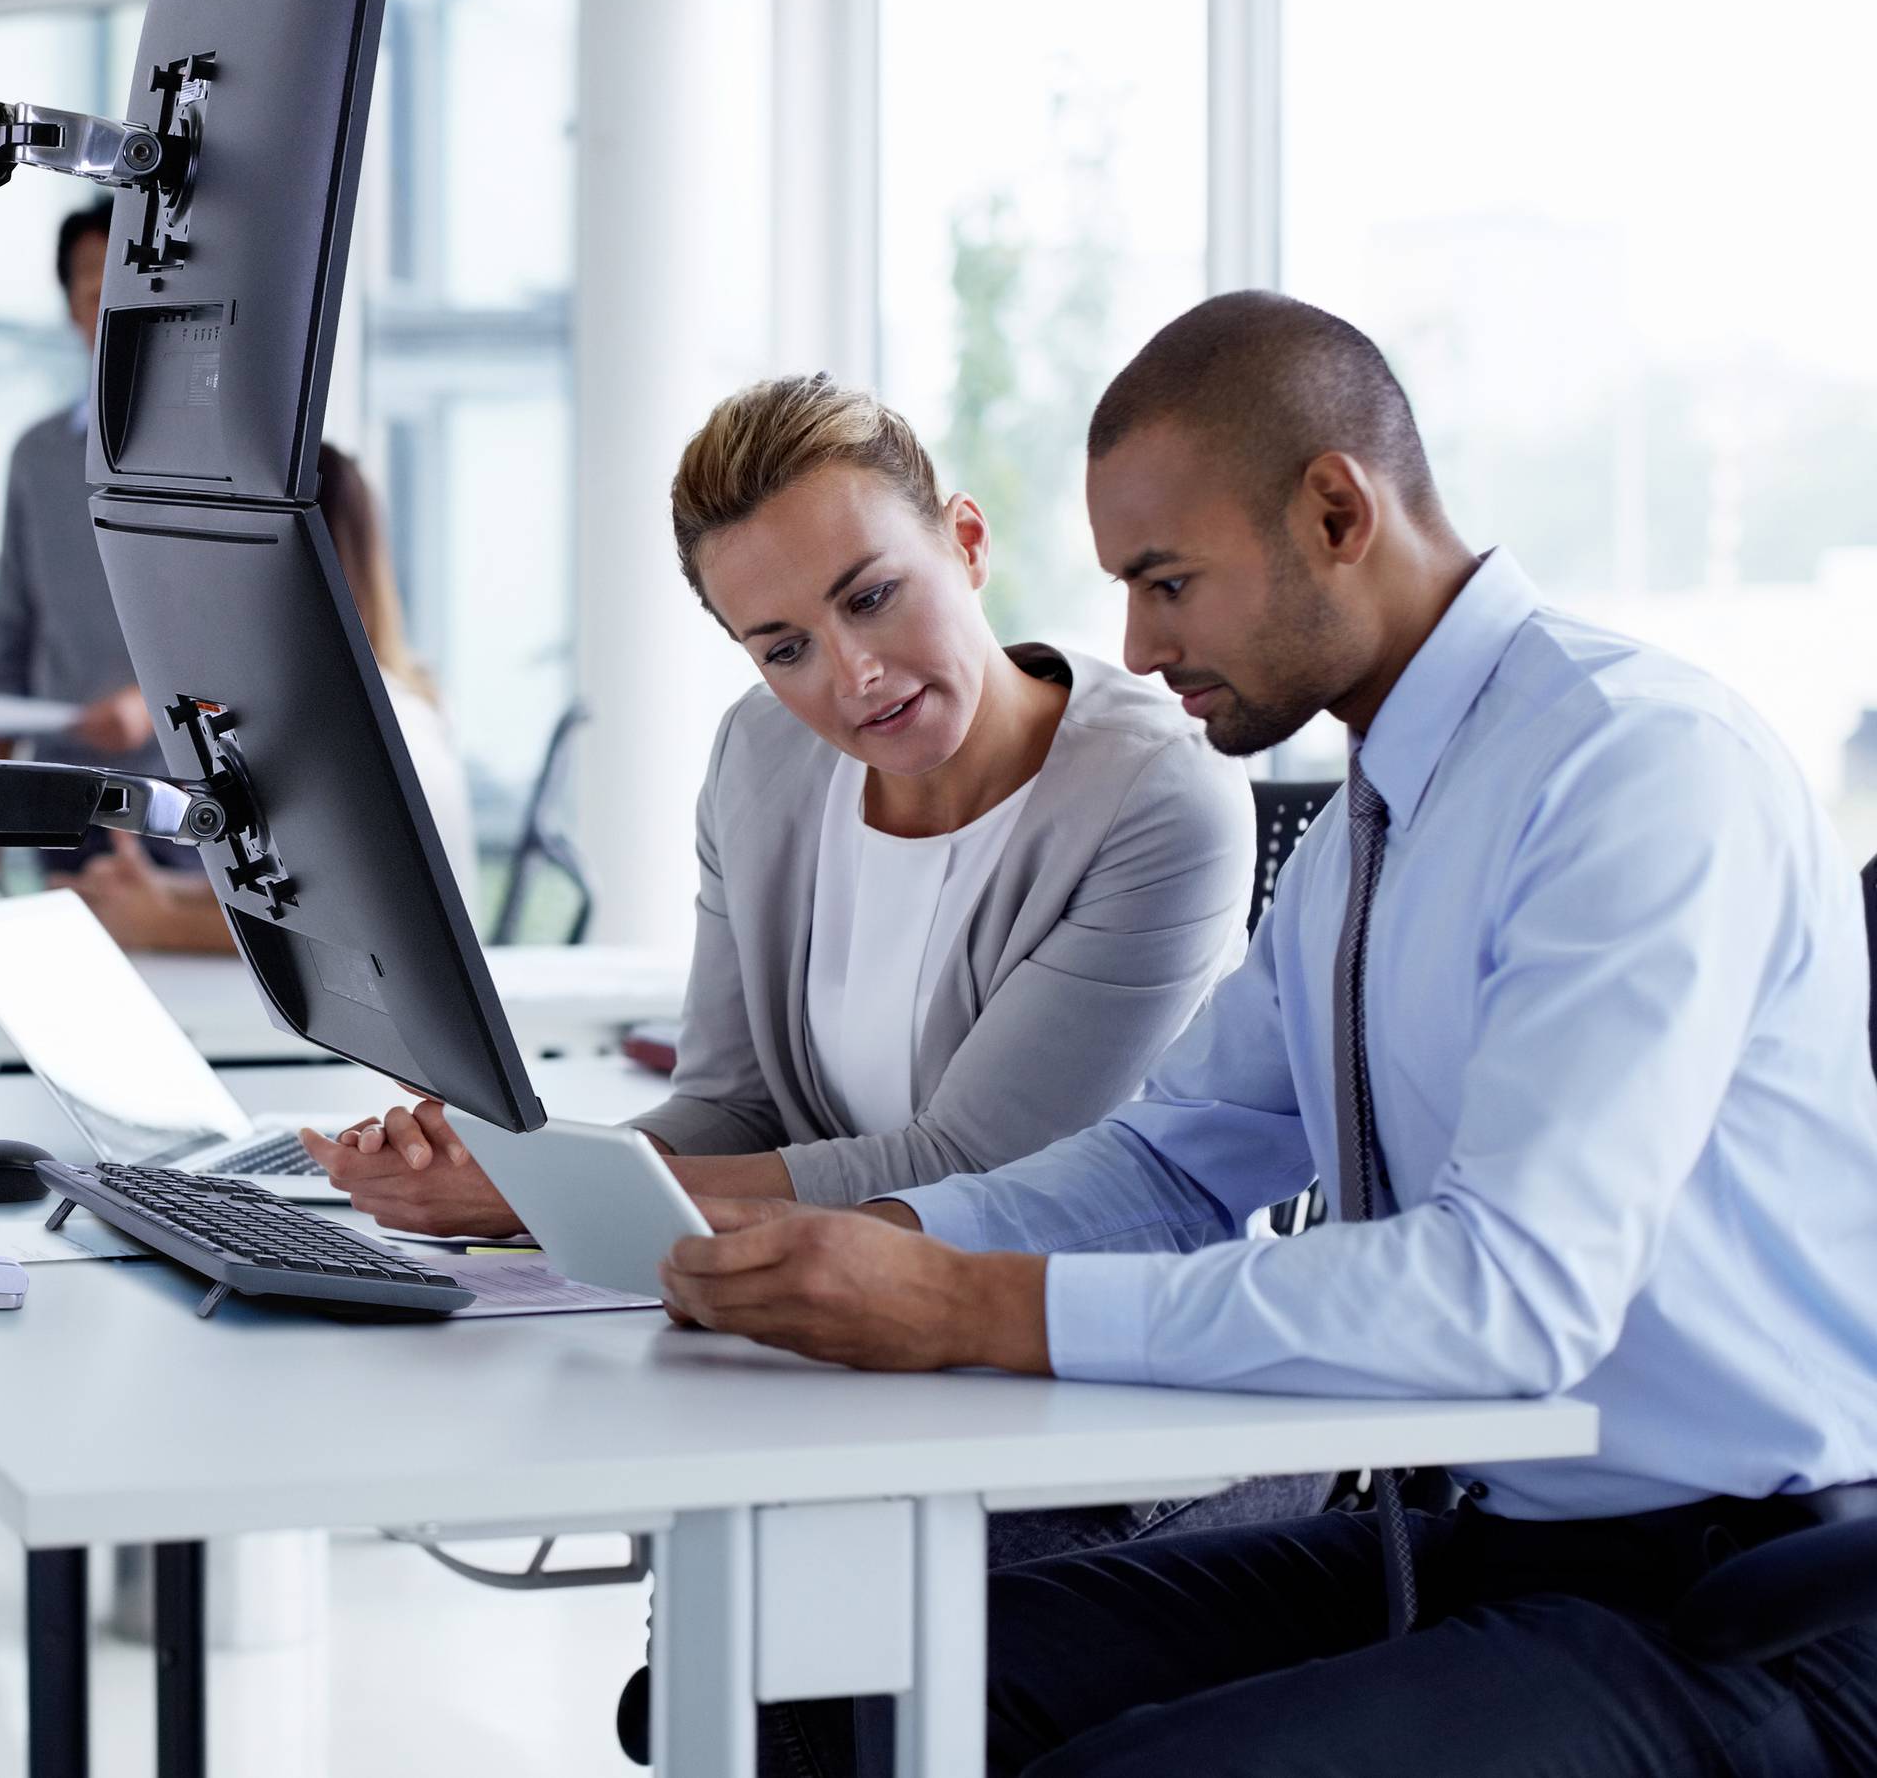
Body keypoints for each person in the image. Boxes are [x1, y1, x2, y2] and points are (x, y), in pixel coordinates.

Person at [656, 294, 1877, 1774]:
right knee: (833, 1695)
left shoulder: (1632, 770)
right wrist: (880, 1244)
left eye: (1168, 580)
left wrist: (975, 1306)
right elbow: (1171, 1166)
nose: (1135, 640)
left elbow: (1513, 1297)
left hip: (1746, 1603)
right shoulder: (1384, 817)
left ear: (1335, 510)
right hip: (1487, 1538)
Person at [305, 374, 1255, 1237]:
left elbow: (971, 1169)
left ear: (967, 542)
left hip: (1081, 1344)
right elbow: (726, 1110)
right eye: (785, 649)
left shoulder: (1159, 801)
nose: (856, 675)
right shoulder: (761, 756)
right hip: (837, 1319)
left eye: (873, 596)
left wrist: (534, 1192)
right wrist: (513, 1169)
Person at [72, 441, 478, 953]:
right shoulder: (359, 703)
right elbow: (304, 888)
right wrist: (162, 894)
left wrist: (158, 923)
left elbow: (347, 936)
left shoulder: (368, 732)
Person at [0, 201, 151, 892]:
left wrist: (152, 706)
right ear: (69, 305)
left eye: (124, 274)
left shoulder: (221, 455)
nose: (105, 296)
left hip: (196, 801)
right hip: (67, 802)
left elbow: (253, 637)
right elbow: (12, 641)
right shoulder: (38, 456)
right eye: (90, 281)